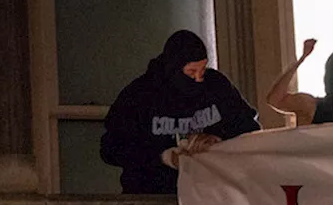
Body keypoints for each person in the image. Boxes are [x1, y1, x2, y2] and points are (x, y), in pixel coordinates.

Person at [100, 30, 260, 194]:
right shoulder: (140, 95)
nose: (198, 78)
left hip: (211, 194)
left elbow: (248, 130)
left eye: (203, 70)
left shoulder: (217, 86)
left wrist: (219, 141)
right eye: (191, 72)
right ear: (173, 68)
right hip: (152, 194)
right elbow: (112, 148)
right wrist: (163, 157)